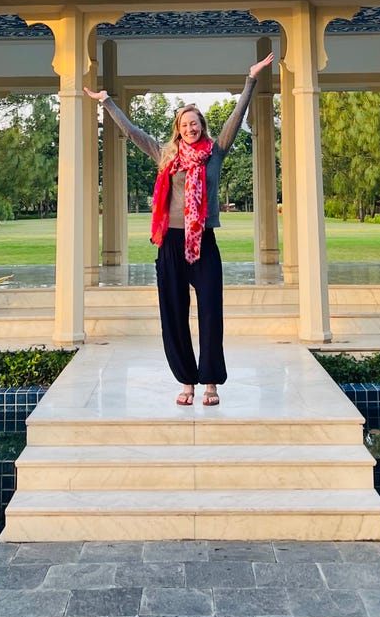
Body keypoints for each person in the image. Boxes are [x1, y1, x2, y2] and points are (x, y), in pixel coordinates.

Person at [84, 53, 273, 407]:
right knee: (173, 314)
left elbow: (236, 117)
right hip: (170, 243)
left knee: (210, 313)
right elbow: (130, 131)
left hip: (203, 243)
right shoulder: (165, 155)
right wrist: (107, 101)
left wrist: (250, 79)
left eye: (195, 123)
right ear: (178, 128)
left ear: (202, 125)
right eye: (185, 124)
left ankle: (211, 383)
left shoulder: (215, 153)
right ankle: (187, 381)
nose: (191, 127)